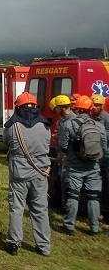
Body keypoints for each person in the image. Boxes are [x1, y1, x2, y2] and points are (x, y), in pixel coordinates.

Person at [2, 92, 52, 256]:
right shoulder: (45, 126)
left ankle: (14, 244)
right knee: (40, 210)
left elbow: (6, 141)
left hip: (19, 174)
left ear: (18, 107)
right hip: (40, 173)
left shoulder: (12, 126)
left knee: (16, 209)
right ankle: (44, 246)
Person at [54, 95, 108, 236]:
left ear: (75, 108)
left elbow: (63, 146)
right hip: (93, 166)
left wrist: (62, 157)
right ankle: (94, 227)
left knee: (73, 196)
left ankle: (69, 226)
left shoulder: (68, 125)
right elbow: (104, 146)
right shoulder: (99, 126)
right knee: (93, 197)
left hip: (75, 167)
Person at [89, 94, 109, 222]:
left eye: (97, 105)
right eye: (94, 105)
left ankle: (106, 212)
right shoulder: (90, 117)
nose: (95, 107)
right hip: (94, 155)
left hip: (105, 157)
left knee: (106, 184)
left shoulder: (106, 119)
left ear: (102, 106)